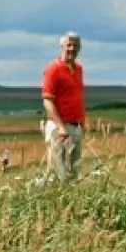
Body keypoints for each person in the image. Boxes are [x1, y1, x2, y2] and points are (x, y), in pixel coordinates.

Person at [41, 31, 86, 182]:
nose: (72, 49)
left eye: (75, 45)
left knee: (74, 170)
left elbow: (77, 97)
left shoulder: (78, 69)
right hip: (59, 128)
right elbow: (47, 100)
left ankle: (72, 202)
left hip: (76, 126)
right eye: (69, 45)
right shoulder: (53, 69)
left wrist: (82, 123)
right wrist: (61, 127)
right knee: (57, 170)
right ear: (62, 46)